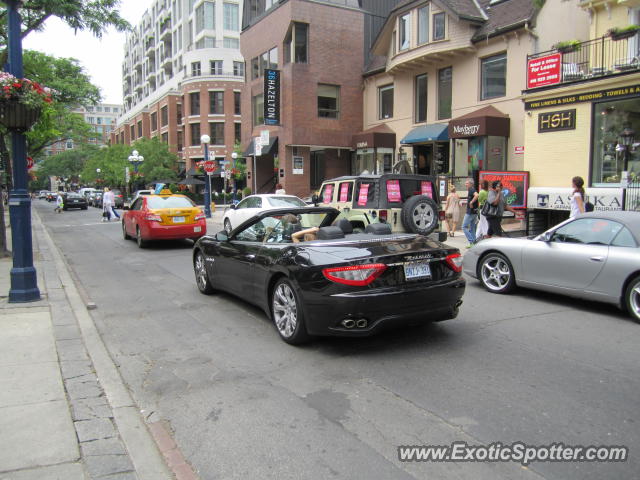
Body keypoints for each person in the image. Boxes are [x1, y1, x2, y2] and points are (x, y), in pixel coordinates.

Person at [462, 178, 479, 246]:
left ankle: (471, 241)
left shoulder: (472, 189)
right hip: (474, 212)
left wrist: (471, 202)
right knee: (472, 228)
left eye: (467, 183)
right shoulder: (471, 190)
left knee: (464, 227)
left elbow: (477, 195)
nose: (465, 184)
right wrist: (467, 202)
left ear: (471, 184)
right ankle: (474, 243)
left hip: (470, 212)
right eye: (465, 183)